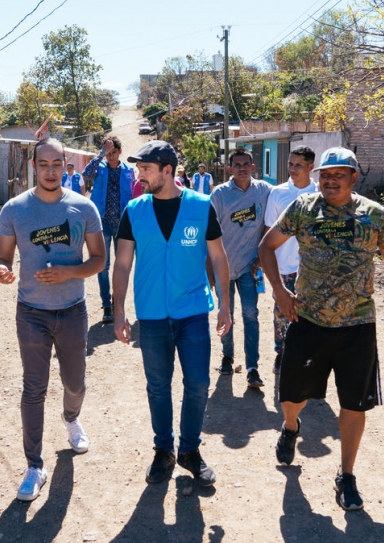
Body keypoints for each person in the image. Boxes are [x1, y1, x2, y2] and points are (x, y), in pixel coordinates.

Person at [258, 147, 384, 511]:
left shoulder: (374, 215)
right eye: (325, 174)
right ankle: (291, 427)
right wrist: (280, 292)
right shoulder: (303, 209)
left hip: (357, 325)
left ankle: (347, 475)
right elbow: (267, 247)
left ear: (354, 178)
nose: (330, 180)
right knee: (291, 397)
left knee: (354, 404)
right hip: (308, 320)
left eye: (339, 174)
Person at [112, 140, 232, 488]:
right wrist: (119, 312)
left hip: (192, 312)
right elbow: (121, 264)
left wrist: (224, 303)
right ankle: (163, 449)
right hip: (151, 315)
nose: (139, 175)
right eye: (139, 169)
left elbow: (219, 257)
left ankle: (189, 450)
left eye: (146, 169)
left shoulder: (200, 206)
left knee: (197, 384)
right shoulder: (134, 210)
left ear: (168, 170)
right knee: (158, 387)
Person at [0, 138, 105, 502]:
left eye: (57, 163)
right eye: (44, 164)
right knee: (33, 388)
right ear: (34, 165)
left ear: (65, 164)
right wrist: (2, 271)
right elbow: (4, 257)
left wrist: (69, 274)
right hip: (31, 313)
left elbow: (99, 259)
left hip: (72, 310)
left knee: (75, 384)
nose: (51, 170)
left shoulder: (83, 208)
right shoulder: (14, 209)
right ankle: (34, 465)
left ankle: (71, 419)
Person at [208, 148, 272, 387]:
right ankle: (227, 356)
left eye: (246, 164)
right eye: (237, 165)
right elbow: (208, 233)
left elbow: (271, 221)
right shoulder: (220, 195)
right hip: (222, 268)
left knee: (251, 315)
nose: (242, 168)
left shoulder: (264, 191)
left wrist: (261, 258)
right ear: (229, 169)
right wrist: (209, 269)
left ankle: (252, 367)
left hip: (249, 268)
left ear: (253, 167)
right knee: (227, 315)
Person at [263, 145, 319, 374]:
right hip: (283, 267)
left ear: (310, 167)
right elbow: (268, 232)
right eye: (290, 164)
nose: (292, 169)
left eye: (298, 165)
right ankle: (281, 354)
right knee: (282, 313)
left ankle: (310, 358)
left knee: (312, 314)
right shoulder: (277, 193)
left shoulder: (321, 194)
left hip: (313, 269)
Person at [82, 136, 136, 324]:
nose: (110, 157)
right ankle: (106, 306)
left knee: (122, 266)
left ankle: (118, 304)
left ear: (120, 152)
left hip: (122, 225)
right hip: (102, 223)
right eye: (108, 153)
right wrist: (100, 154)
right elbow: (86, 173)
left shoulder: (129, 171)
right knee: (102, 266)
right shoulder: (100, 168)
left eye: (113, 152)